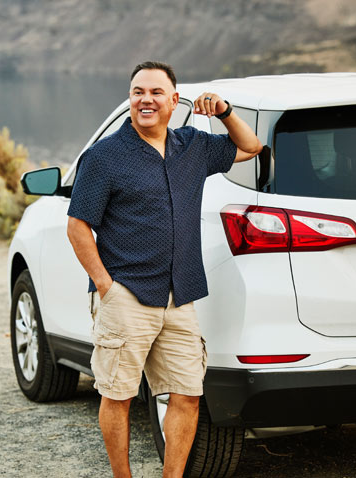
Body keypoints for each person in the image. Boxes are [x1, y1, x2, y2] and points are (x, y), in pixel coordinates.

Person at [67, 61, 262, 478]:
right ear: (130, 98)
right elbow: (78, 225)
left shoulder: (193, 146)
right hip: (127, 294)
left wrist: (225, 112)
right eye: (138, 92)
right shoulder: (103, 157)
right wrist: (106, 286)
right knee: (118, 395)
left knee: (188, 395)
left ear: (175, 101)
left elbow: (251, 147)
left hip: (181, 295)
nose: (146, 100)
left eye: (156, 92)